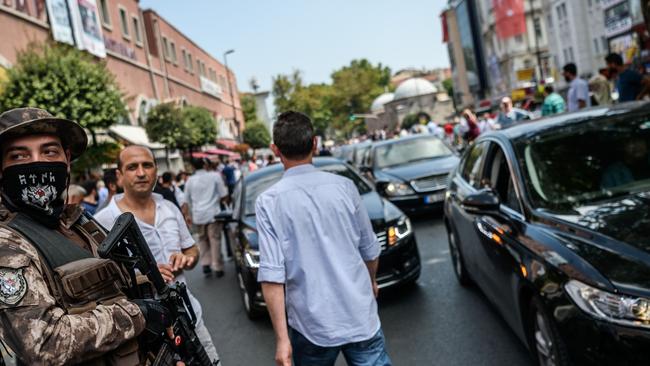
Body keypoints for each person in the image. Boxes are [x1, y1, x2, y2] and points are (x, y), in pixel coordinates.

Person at [0, 107, 168, 364]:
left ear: (67, 159)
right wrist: (139, 314)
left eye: (49, 152)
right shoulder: (7, 243)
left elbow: (113, 288)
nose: (38, 163)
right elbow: (43, 344)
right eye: (19, 156)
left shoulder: (78, 222)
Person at [256, 111, 392, 366]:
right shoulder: (345, 187)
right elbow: (370, 249)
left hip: (311, 325)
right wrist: (371, 281)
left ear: (275, 150)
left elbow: (272, 276)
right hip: (360, 314)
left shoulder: (269, 202)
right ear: (315, 143)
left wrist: (282, 340)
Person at [95, 145, 220, 362]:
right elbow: (102, 284)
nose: (141, 173)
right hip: (146, 330)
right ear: (119, 175)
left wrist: (187, 259)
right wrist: (146, 278)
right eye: (132, 167)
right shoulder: (104, 220)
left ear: (156, 170)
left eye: (147, 165)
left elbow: (191, 249)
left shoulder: (169, 208)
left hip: (188, 314)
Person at [185, 158, 229, 277]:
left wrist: (188, 215)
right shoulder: (214, 176)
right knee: (215, 240)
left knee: (202, 240)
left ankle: (205, 265)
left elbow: (187, 200)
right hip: (213, 214)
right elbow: (224, 194)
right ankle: (217, 266)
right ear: (205, 165)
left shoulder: (190, 181)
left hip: (198, 215)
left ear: (193, 167)